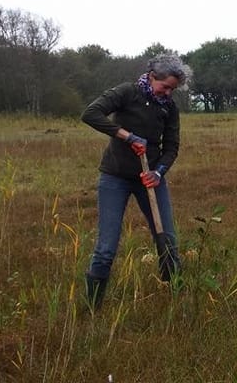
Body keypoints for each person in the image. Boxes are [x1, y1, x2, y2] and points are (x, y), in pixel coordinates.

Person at [81, 54, 192, 311]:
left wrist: (159, 172)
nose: (168, 93)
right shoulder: (126, 93)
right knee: (106, 248)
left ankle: (176, 298)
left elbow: (172, 146)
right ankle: (92, 308)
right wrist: (127, 136)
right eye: (165, 87)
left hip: (150, 180)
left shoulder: (169, 107)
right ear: (153, 76)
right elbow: (90, 113)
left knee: (167, 241)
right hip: (115, 178)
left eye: (172, 89)